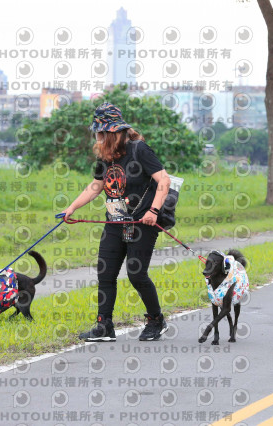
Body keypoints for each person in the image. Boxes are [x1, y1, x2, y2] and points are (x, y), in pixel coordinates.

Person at [61, 102, 171, 341]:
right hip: (115, 221)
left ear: (111, 132)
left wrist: (153, 210)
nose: (97, 137)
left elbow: (164, 180)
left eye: (100, 133)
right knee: (105, 273)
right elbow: (96, 187)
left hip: (143, 222)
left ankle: (156, 320)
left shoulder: (139, 149)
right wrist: (71, 208)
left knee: (136, 275)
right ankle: (104, 326)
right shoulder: (106, 156)